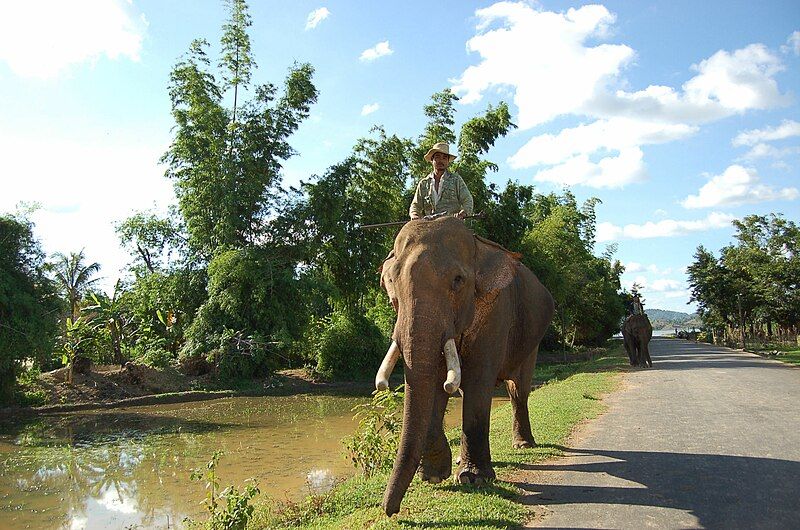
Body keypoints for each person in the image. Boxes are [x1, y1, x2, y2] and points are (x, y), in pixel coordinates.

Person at [409, 142, 474, 220]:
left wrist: (463, 213)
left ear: (447, 161)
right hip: (429, 225)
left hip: (451, 224)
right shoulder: (423, 183)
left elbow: (468, 200)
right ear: (432, 160)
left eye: (444, 158)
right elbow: (415, 205)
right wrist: (414, 215)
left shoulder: (456, 180)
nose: (441, 161)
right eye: (438, 157)